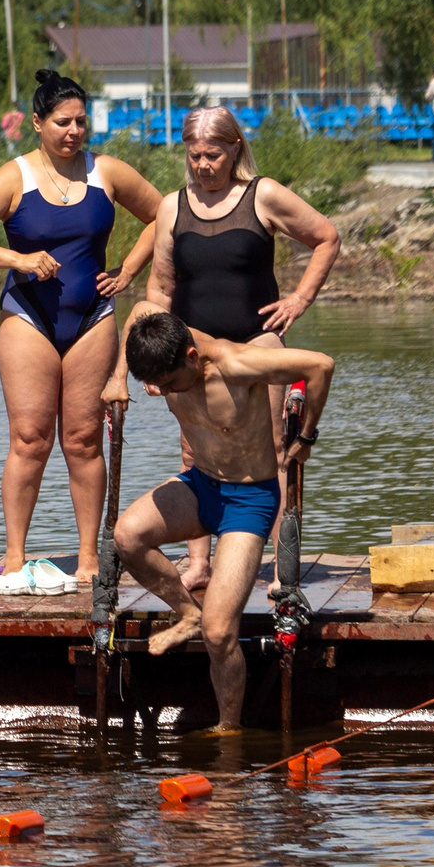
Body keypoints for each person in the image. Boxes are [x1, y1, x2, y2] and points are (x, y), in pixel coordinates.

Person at [0, 69, 163, 595]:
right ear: (38, 124)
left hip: (92, 318)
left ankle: (89, 556)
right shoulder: (12, 177)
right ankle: (15, 554)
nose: (74, 131)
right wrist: (17, 258)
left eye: (81, 122)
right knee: (29, 439)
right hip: (28, 318)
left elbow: (165, 215)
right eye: (62, 122)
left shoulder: (105, 172)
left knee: (84, 440)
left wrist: (130, 271)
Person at [111, 104, 338, 593]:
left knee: (276, 448)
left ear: (235, 148)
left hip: (257, 342)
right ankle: (200, 564)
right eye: (194, 156)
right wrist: (155, 358)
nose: (203, 165)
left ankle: (282, 565)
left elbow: (326, 237)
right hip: (192, 349)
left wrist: (298, 299)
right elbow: (160, 291)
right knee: (194, 451)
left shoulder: (264, 195)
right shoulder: (173, 206)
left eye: (213, 155)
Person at [113, 308, 331, 733]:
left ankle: (227, 728)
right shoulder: (168, 345)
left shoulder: (236, 364)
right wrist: (117, 378)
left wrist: (306, 436)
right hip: (201, 487)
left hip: (249, 500)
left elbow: (321, 365)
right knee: (128, 536)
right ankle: (185, 613)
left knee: (218, 633)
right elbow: (139, 310)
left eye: (171, 382)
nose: (167, 391)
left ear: (193, 356)